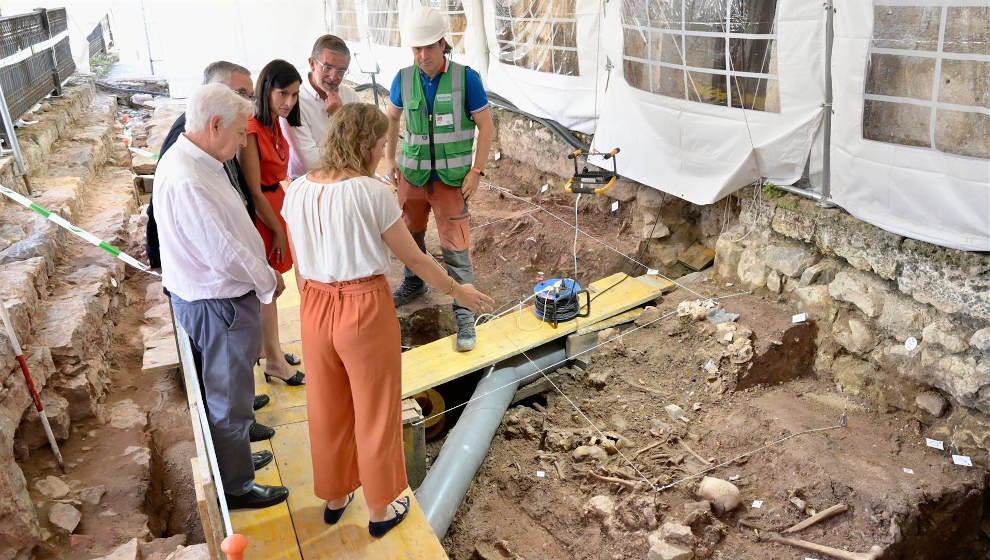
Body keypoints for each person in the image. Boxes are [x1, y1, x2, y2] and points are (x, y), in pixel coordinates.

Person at [282, 103, 493, 537]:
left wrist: (314, 304)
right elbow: (414, 258)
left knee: (327, 405)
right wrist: (460, 292)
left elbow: (300, 265)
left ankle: (336, 496)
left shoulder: (297, 189)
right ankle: (381, 508)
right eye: (381, 144)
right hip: (363, 305)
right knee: (377, 409)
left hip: (315, 306)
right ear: (363, 143)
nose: (383, 152)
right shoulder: (372, 193)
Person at [153, 83, 289, 509]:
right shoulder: (190, 178)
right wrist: (267, 280)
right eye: (238, 133)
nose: (242, 141)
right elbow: (224, 253)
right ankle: (237, 485)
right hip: (219, 303)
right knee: (227, 400)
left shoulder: (194, 158)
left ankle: (238, 456)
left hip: (216, 299)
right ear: (214, 125)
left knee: (231, 388)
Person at [384, 6, 494, 352]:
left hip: (451, 181)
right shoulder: (402, 79)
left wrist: (476, 172)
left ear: (443, 44)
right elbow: (390, 120)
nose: (421, 55)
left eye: (428, 48)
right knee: (409, 236)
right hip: (412, 177)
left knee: (456, 249)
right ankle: (414, 281)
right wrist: (389, 159)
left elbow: (487, 126)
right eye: (416, 49)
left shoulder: (467, 79)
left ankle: (465, 314)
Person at [240, 59, 306, 386]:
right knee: (267, 288)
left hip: (276, 206)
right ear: (266, 88)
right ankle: (274, 360)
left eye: (294, 95)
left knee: (273, 289)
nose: (289, 102)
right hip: (262, 213)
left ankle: (271, 350)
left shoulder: (273, 123)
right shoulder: (253, 127)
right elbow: (254, 190)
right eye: (283, 93)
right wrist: (278, 229)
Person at [283, 34, 360, 180]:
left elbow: (366, 143)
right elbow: (311, 162)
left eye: (341, 71)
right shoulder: (294, 102)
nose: (333, 77)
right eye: (328, 67)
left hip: (347, 180)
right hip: (309, 184)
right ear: (312, 64)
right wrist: (341, 119)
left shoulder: (350, 96)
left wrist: (339, 113)